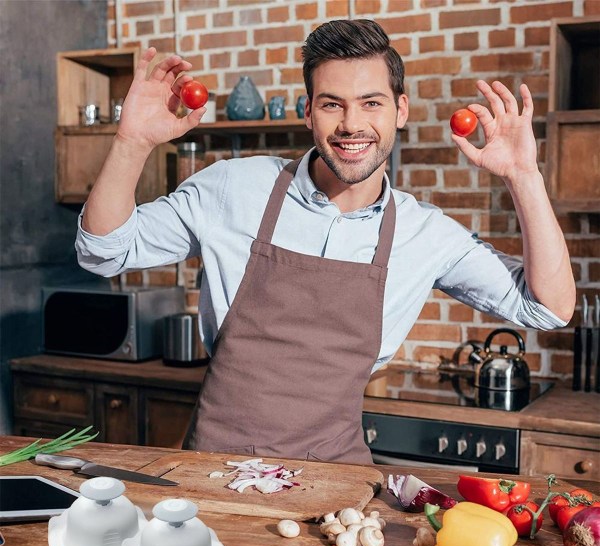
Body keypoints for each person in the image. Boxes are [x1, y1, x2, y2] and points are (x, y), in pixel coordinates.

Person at [76, 19, 575, 465]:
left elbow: (549, 308)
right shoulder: (233, 188)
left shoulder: (424, 233)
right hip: (215, 475)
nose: (352, 124)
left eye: (371, 103)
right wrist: (132, 142)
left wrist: (524, 175)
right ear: (308, 111)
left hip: (336, 483)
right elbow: (103, 251)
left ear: (400, 110)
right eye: (333, 103)